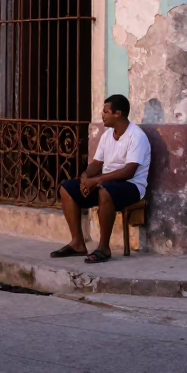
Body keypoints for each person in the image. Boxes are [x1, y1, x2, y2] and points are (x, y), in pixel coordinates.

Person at [51, 94, 151, 264]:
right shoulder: (107, 135)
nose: (102, 115)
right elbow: (97, 163)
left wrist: (97, 181)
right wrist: (85, 178)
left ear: (118, 113)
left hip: (131, 186)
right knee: (67, 188)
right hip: (106, 183)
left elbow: (129, 171)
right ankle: (77, 243)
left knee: (105, 191)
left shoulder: (137, 136)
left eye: (105, 111)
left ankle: (104, 247)